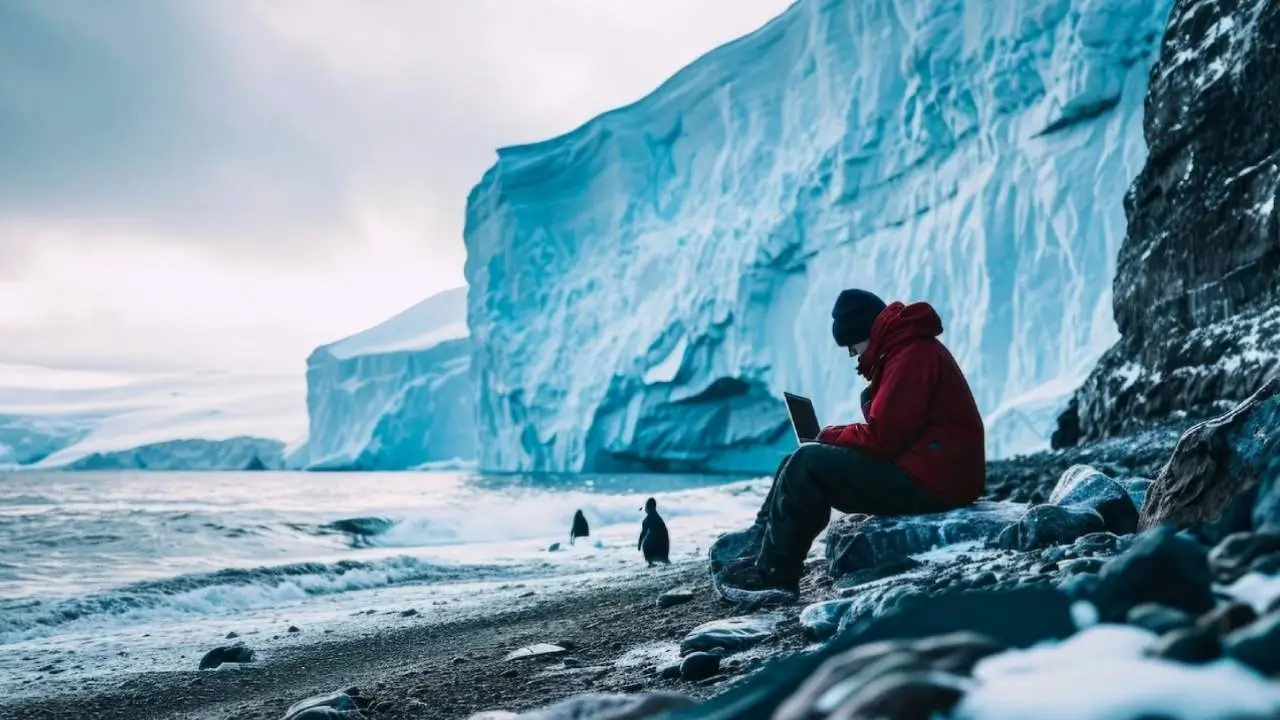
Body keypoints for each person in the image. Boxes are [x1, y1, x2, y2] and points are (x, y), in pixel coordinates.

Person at [717, 289, 986, 601]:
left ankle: (775, 575)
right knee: (800, 459)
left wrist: (831, 435)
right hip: (932, 471)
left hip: (935, 480)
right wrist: (837, 434)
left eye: (851, 345)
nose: (852, 355)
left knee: (808, 464)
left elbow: (882, 438)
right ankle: (760, 552)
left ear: (867, 332)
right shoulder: (907, 352)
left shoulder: (911, 356)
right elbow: (891, 432)